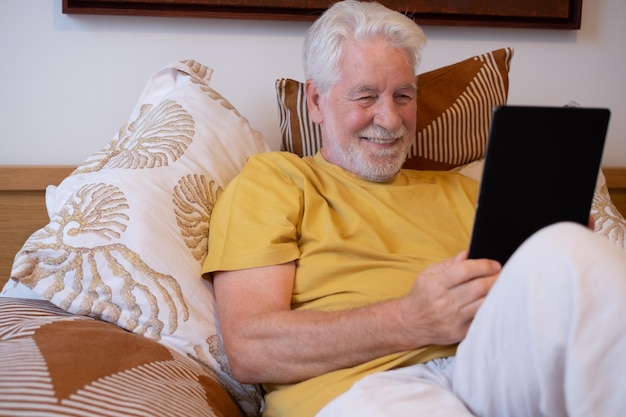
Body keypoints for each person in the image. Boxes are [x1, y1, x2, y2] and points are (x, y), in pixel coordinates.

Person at [203, 1, 626, 416]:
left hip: (485, 368)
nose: (390, 119)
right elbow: (249, 348)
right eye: (366, 96)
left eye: (403, 95)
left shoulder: (466, 189)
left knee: (571, 246)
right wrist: (411, 320)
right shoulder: (276, 181)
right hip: (365, 390)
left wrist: (553, 258)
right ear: (316, 100)